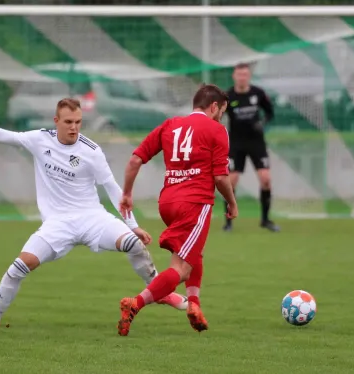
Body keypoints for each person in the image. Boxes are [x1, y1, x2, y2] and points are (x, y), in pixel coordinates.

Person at [0, 98, 188, 328]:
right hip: (57, 223)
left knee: (134, 244)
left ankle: (158, 293)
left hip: (93, 218)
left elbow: (113, 189)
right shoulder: (39, 140)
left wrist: (132, 224)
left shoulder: (91, 150)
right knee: (19, 266)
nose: (74, 127)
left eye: (78, 122)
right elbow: (3, 135)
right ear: (56, 121)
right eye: (68, 122)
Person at [116, 84, 238, 336]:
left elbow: (135, 160)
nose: (220, 117)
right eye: (221, 112)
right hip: (194, 203)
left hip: (167, 202)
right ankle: (134, 304)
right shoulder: (217, 130)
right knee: (181, 268)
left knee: (194, 253)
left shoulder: (170, 125)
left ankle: (194, 305)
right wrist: (232, 202)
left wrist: (127, 193)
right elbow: (220, 178)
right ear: (214, 107)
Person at [224, 62, 280, 233]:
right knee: (231, 182)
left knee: (266, 179)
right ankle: (228, 222)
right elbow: (216, 114)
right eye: (239, 74)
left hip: (256, 143)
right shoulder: (228, 96)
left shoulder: (258, 93)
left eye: (245, 74)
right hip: (235, 143)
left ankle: (265, 220)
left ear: (249, 76)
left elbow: (270, 113)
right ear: (234, 76)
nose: (242, 77)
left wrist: (262, 123)